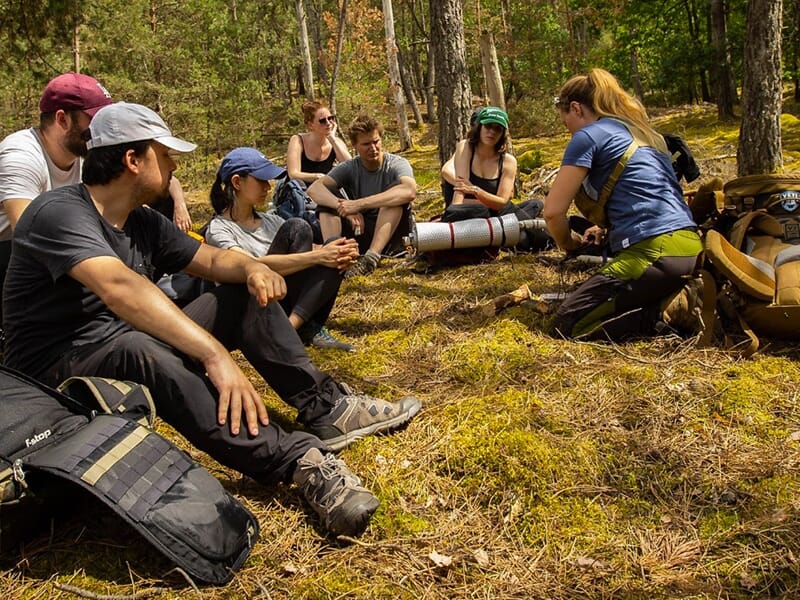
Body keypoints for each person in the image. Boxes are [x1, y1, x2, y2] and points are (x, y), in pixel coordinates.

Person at [2, 102, 422, 537]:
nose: (172, 169)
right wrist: (213, 353)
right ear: (132, 160)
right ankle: (301, 461)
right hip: (56, 376)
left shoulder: (143, 221)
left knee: (237, 296)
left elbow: (213, 259)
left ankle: (326, 408)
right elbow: (121, 288)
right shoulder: (58, 211)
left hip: (123, 341)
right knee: (140, 348)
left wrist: (252, 268)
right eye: (165, 157)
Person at [543, 68, 702, 340]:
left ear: (576, 108)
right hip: (691, 249)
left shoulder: (587, 136)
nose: (567, 129)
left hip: (653, 253)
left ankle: (671, 311)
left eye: (565, 121)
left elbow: (553, 213)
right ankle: (678, 293)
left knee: (568, 323)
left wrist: (569, 243)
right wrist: (607, 230)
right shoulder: (645, 134)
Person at [0, 72, 192, 238]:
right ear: (62, 119)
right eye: (95, 119)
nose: (103, 127)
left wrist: (177, 206)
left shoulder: (87, 151)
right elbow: (28, 235)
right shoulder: (21, 156)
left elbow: (156, 177)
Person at [205, 147, 359, 351]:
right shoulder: (218, 229)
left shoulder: (272, 221)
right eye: (260, 180)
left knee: (333, 246)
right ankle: (293, 329)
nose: (267, 187)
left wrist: (338, 250)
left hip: (285, 300)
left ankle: (294, 327)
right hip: (252, 306)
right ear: (237, 182)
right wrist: (319, 256)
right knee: (298, 227)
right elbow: (249, 266)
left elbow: (306, 252)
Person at [307, 114, 417, 278]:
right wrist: (344, 206)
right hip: (362, 229)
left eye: (376, 141)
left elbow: (409, 191)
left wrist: (359, 204)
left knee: (394, 197)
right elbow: (315, 189)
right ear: (355, 145)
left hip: (393, 231)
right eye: (366, 144)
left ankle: (371, 258)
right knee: (326, 204)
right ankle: (336, 255)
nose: (373, 148)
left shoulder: (396, 163)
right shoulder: (350, 167)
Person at [286, 101, 351, 185]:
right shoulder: (297, 140)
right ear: (310, 125)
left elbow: (351, 168)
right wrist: (317, 177)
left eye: (330, 118)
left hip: (323, 191)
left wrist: (332, 139)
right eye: (322, 121)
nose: (328, 123)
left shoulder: (336, 142)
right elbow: (293, 174)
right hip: (298, 192)